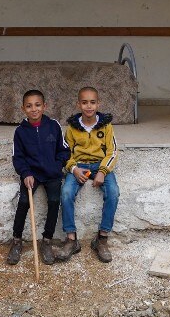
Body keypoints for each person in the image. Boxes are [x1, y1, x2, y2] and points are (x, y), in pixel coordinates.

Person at [56, 86, 118, 263]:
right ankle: (71, 239)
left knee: (113, 192)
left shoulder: (106, 126)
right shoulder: (72, 128)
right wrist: (74, 169)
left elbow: (112, 152)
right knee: (66, 192)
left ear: (98, 104)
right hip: (80, 165)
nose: (88, 106)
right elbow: (65, 153)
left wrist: (103, 172)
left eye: (92, 102)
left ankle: (102, 238)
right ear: (78, 104)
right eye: (84, 102)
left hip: (100, 165)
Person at [8, 89, 68, 266]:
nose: (34, 109)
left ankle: (47, 240)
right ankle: (17, 240)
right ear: (23, 109)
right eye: (29, 106)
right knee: (24, 203)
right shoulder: (20, 131)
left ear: (44, 106)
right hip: (31, 174)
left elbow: (63, 150)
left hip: (52, 173)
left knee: (54, 201)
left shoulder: (53, 125)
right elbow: (17, 157)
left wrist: (57, 165)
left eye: (37, 105)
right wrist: (25, 173)